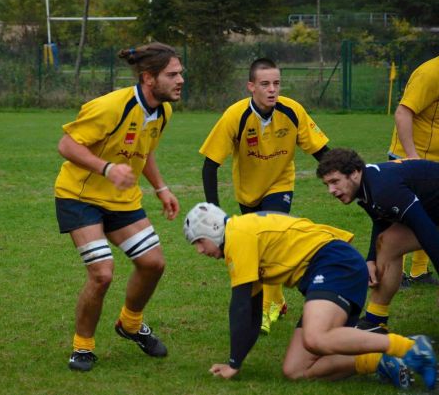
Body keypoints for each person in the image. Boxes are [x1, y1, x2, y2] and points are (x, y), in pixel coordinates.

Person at [183, 202, 437, 389]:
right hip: (332, 269)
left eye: (198, 242)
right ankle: (380, 361)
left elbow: (238, 307)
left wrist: (233, 364)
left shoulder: (237, 235)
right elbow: (250, 311)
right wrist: (235, 361)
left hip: (334, 262)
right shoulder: (240, 235)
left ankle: (411, 348)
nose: (199, 250)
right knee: (295, 370)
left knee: (317, 337)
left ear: (213, 229)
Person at [54, 42, 183, 372]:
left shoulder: (163, 111)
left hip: (122, 200)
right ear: (148, 78)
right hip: (80, 197)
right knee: (102, 274)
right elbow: (66, 144)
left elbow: (145, 149)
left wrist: (161, 188)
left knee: (153, 263)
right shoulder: (111, 106)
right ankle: (82, 347)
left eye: (180, 73)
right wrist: (107, 169)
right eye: (172, 74)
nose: (181, 79)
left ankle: (130, 324)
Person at [199, 58, 330, 334]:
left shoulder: (292, 111)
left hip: (280, 184)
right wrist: (213, 210)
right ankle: (278, 301)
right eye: (265, 84)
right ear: (251, 87)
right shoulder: (235, 116)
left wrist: (347, 177)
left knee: (272, 238)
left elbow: (321, 151)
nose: (272, 90)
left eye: (277, 83)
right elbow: (210, 165)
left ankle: (267, 308)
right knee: (257, 248)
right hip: (248, 191)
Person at [316, 148, 439, 334]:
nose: (331, 190)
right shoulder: (368, 185)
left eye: (335, 182)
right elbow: (381, 221)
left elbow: (427, 232)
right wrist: (370, 259)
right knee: (388, 242)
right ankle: (375, 320)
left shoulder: (383, 188)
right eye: (327, 184)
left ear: (355, 173)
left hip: (431, 218)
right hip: (432, 212)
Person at [387, 56, 439, 287]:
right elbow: (402, 113)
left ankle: (419, 272)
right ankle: (393, 275)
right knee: (404, 218)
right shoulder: (430, 73)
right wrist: (412, 158)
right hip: (411, 159)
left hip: (433, 161)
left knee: (433, 217)